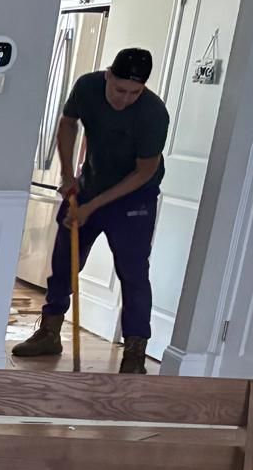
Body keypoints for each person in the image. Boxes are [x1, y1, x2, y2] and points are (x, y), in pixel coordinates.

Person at [14, 47, 170, 374]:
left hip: (133, 198)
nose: (125, 98)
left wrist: (93, 206)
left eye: (134, 92)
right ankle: (49, 333)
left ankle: (134, 355)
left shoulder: (153, 113)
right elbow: (68, 124)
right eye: (119, 89)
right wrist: (69, 175)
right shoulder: (88, 87)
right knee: (64, 262)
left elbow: (143, 171)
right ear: (108, 75)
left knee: (133, 273)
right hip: (90, 184)